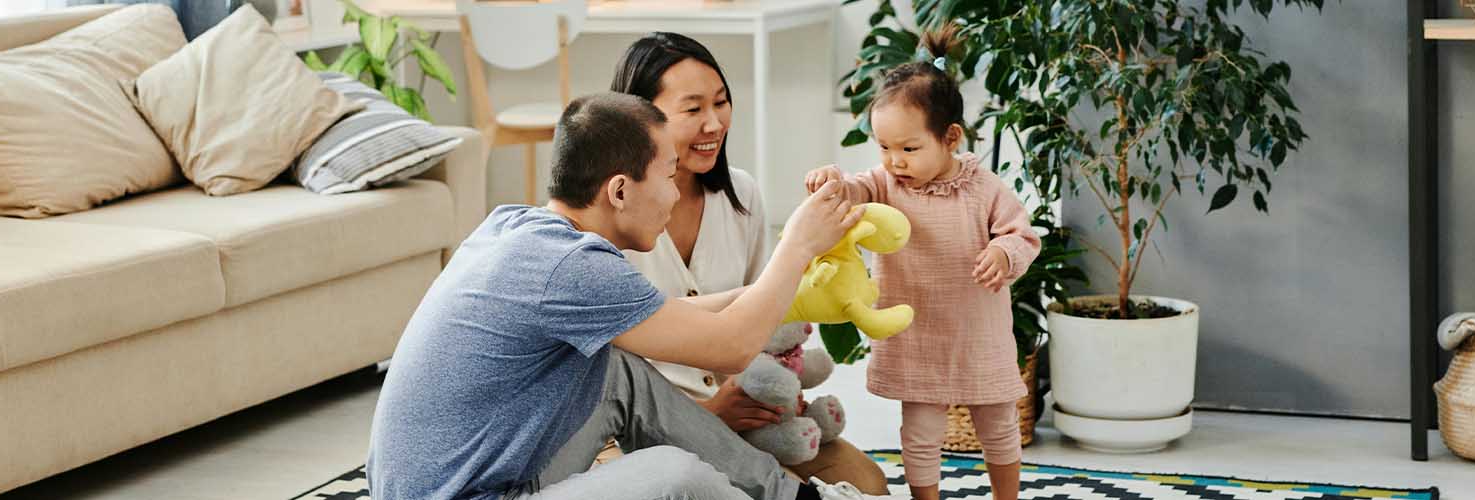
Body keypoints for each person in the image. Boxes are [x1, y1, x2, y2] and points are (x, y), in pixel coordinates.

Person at [367, 92, 883, 500]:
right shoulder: (572, 266)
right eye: (667, 176)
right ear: (619, 190)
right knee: (672, 473)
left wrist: (782, 291)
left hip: (476, 479)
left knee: (616, 372)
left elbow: (671, 318)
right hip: (471, 496)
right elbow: (730, 349)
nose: (676, 192)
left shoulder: (524, 229)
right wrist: (796, 245)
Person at [610, 32, 888, 493]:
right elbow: (607, 377)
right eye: (694, 109)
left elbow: (771, 317)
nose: (715, 123)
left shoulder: (740, 194)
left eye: (721, 103)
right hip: (650, 436)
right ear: (641, 119)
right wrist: (704, 415)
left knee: (868, 485)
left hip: (754, 415)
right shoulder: (612, 218)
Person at [802, 28, 1040, 500]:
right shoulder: (885, 181)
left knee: (998, 426)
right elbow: (855, 191)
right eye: (884, 147)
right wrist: (832, 182)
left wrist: (1002, 252)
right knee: (920, 433)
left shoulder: (983, 187)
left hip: (978, 333)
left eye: (909, 149)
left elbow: (1023, 235)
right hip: (919, 334)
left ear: (950, 138)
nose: (894, 161)